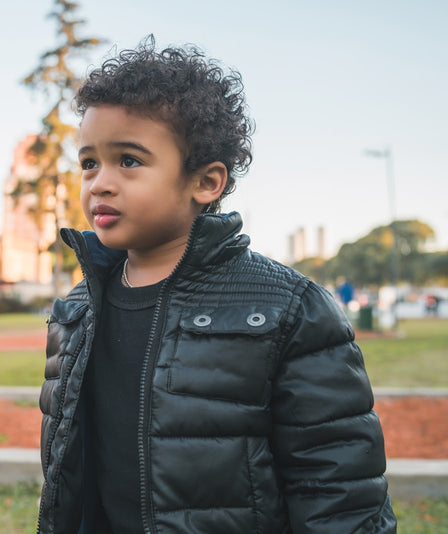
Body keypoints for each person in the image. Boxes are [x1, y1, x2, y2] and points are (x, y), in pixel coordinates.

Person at [37, 36, 396, 533]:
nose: (100, 182)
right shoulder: (76, 311)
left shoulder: (287, 308)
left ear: (206, 182)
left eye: (130, 160)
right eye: (89, 162)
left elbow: (338, 492)